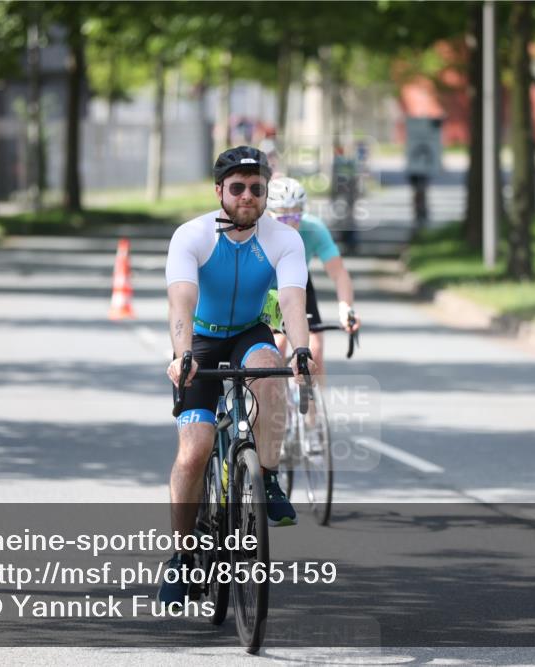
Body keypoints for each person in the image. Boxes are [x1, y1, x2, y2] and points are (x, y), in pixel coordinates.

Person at [160, 146, 313, 607]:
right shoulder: (193, 236)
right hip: (201, 340)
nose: (248, 195)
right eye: (238, 187)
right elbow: (182, 301)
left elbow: (291, 301)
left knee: (273, 372)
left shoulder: (284, 239)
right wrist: (184, 355)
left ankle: (264, 474)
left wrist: (302, 349)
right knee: (194, 452)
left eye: (257, 187)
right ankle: (183, 556)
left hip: (249, 332)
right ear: (219, 191)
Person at [263, 177, 360, 375]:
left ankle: (315, 402)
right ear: (267, 213)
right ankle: (275, 401)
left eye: (296, 216)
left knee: (313, 353)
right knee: (276, 349)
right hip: (266, 289)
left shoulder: (314, 229)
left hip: (299, 286)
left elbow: (338, 273)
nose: (290, 222)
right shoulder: (258, 231)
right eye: (282, 217)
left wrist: (346, 308)